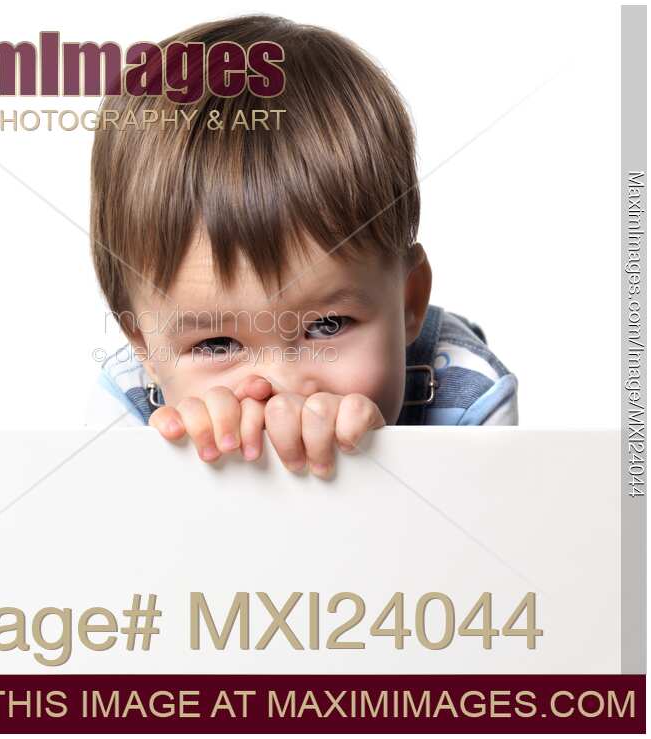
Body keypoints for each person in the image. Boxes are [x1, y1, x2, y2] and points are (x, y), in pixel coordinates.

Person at [85, 14, 518, 478]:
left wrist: (377, 470)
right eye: (214, 344)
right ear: (144, 346)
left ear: (408, 300)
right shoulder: (126, 416)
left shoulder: (468, 397)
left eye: (328, 325)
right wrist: (184, 473)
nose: (283, 389)